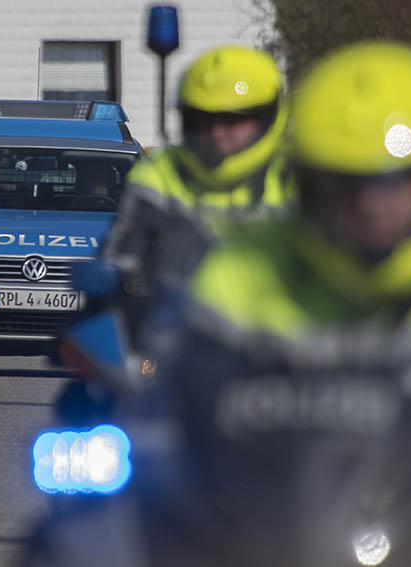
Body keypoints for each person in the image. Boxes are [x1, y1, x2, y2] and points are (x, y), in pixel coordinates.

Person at [31, 41, 411, 566]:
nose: (371, 206)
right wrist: (137, 389)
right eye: (343, 185)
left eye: (397, 183)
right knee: (79, 537)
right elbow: (182, 373)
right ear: (306, 180)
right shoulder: (247, 264)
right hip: (277, 508)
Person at [57, 45, 293, 395]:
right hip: (170, 353)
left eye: (233, 120)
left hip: (275, 358)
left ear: (268, 116)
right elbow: (123, 249)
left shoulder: (297, 180)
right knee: (84, 408)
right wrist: (110, 275)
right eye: (203, 120)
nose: (217, 134)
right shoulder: (161, 172)